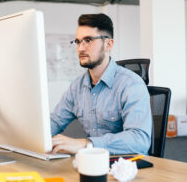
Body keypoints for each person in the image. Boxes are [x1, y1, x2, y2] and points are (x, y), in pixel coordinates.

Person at [50, 13, 152, 155]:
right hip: (92, 163)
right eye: (78, 42)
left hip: (127, 166)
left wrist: (87, 144)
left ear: (108, 44)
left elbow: (139, 140)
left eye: (88, 40)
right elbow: (55, 121)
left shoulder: (131, 84)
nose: (81, 48)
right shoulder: (77, 86)